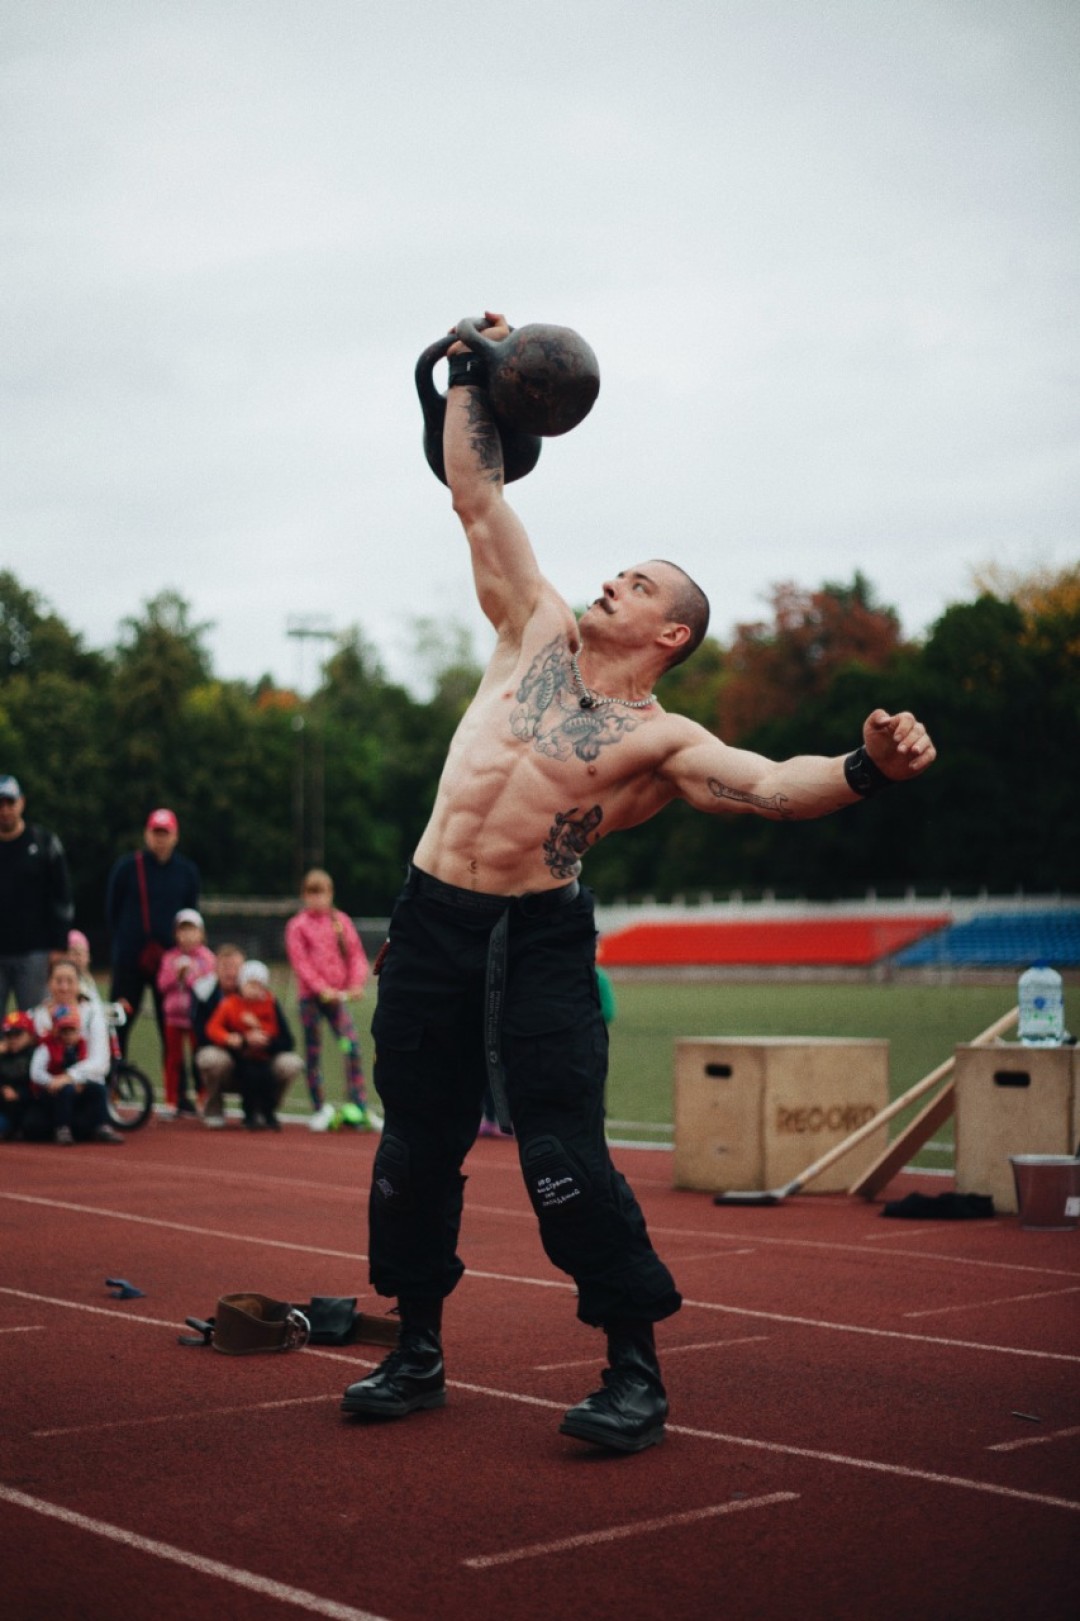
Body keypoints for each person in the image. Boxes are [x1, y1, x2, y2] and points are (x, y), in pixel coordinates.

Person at [341, 311, 937, 1454]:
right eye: (618, 569)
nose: (613, 580)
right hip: (431, 922)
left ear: (671, 632)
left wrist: (869, 764)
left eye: (640, 582)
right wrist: (467, 369)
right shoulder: (534, 628)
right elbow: (477, 494)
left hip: (540, 944)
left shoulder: (663, 741)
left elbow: (776, 785)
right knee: (415, 1147)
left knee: (563, 1158)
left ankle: (633, 1371)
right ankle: (414, 1348)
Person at [284, 868, 377, 1132]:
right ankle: (319, 1108)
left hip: (338, 999)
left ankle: (359, 1106)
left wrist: (357, 983)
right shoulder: (297, 926)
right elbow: (300, 962)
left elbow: (356, 955)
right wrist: (320, 987)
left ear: (330, 894)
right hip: (311, 999)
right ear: (304, 896)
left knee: (352, 1048)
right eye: (311, 894)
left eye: (321, 893)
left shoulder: (341, 921)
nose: (317, 900)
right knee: (313, 1052)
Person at [104, 809, 200, 1061]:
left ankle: (175, 1089)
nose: (160, 839)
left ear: (175, 836)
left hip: (169, 962)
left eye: (165, 833)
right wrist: (128, 942)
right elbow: (112, 910)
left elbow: (190, 915)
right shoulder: (127, 868)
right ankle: (113, 1079)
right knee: (119, 1021)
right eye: (155, 833)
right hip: (130, 959)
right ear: (147, 834)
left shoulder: (186, 872)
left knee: (171, 1025)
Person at [192, 944, 303, 1128]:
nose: (230, 973)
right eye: (225, 967)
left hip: (262, 1059)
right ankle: (214, 1108)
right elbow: (207, 1032)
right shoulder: (216, 998)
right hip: (229, 1059)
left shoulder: (267, 1000)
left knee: (288, 1063)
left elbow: (286, 1039)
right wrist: (240, 1040)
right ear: (216, 969)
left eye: (235, 967)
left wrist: (263, 1039)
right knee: (211, 1059)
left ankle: (266, 1110)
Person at [26, 958, 124, 1144]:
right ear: (49, 983)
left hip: (85, 1089)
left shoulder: (92, 1014)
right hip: (50, 1091)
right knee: (33, 1127)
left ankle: (98, 1125)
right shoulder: (37, 1015)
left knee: (83, 1123)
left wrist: (70, 1077)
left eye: (70, 981)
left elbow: (100, 1062)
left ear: (79, 984)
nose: (64, 987)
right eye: (58, 981)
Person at [0, 775, 75, 1015]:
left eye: (10, 803)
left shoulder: (44, 843)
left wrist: (59, 944)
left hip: (35, 951)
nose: (4, 810)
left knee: (36, 1023)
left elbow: (62, 896)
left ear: (21, 802)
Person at [205, 960, 286, 1131]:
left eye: (258, 986)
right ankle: (248, 1116)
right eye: (250, 985)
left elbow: (279, 1033)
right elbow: (213, 1027)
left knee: (267, 1080)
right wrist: (232, 1038)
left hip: (263, 1057)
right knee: (249, 1079)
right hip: (240, 1057)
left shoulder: (269, 1003)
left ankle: (268, 1114)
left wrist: (260, 1031)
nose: (254, 990)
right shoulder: (230, 1004)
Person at [156, 909, 216, 1119]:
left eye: (192, 931)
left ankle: (203, 1098)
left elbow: (207, 987)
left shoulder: (207, 958)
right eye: (183, 931)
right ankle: (171, 1101)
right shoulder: (169, 957)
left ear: (201, 934)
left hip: (196, 1019)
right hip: (173, 1017)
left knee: (199, 1059)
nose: (188, 936)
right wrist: (176, 976)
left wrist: (189, 977)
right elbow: (162, 985)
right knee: (173, 1060)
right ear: (176, 934)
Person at [0, 1009, 37, 1140]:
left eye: (18, 1034)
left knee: (33, 1125)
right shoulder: (3, 1055)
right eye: (9, 1035)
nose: (13, 1039)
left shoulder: (36, 1055)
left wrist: (19, 1093)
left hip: (30, 1107)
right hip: (5, 1107)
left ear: (30, 1035)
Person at [66, 929, 101, 1002]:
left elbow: (96, 1006)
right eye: (75, 953)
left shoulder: (88, 979)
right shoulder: (64, 983)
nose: (80, 958)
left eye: (83, 954)